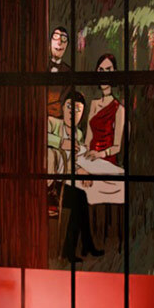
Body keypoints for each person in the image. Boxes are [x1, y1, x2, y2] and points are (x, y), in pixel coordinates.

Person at [57, 91, 101, 263]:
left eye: (77, 109)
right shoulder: (53, 123)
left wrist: (83, 170)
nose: (72, 113)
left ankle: (77, 247)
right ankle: (82, 245)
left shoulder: (79, 134)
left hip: (68, 181)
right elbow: (43, 137)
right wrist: (62, 142)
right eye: (69, 107)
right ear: (62, 107)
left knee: (81, 198)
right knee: (79, 199)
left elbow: (77, 159)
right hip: (52, 182)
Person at [47, 26, 72, 119]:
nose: (59, 42)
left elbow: (64, 102)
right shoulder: (41, 66)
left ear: (66, 45)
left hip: (58, 118)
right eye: (56, 37)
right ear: (50, 42)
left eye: (63, 39)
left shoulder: (68, 72)